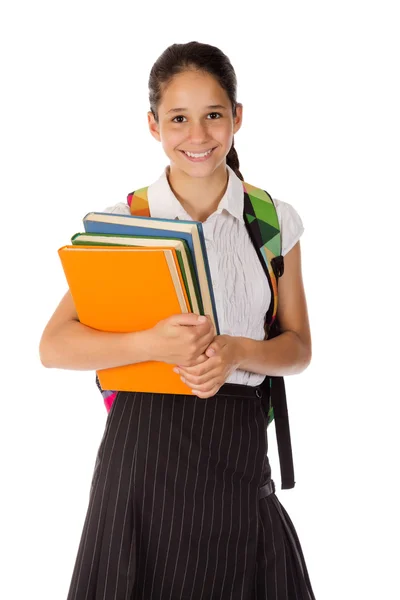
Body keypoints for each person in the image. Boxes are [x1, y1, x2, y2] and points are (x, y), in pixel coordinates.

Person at [40, 41, 315, 599]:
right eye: (178, 118)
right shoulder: (123, 221)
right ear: (153, 125)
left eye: (214, 115)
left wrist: (237, 352)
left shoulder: (270, 220)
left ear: (237, 117)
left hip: (236, 453)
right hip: (141, 459)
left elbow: (298, 347)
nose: (198, 135)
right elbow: (54, 346)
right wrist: (153, 344)